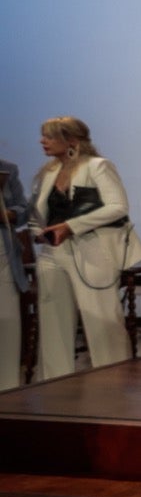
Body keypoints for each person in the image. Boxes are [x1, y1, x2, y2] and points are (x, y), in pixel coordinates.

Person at [29, 117, 141, 379]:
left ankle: (113, 382)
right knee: (53, 323)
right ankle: (56, 386)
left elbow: (118, 207)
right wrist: (39, 233)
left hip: (92, 251)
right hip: (53, 253)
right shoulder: (48, 172)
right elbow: (38, 212)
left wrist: (71, 226)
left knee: (100, 319)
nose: (42, 141)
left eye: (49, 136)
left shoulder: (98, 166)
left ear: (71, 140)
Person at [0, 157, 26, 390]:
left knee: (7, 324)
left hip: (4, 256)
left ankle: (8, 391)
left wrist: (8, 214)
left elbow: (23, 209)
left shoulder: (8, 168)